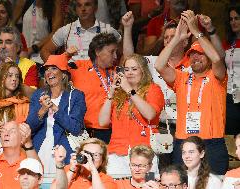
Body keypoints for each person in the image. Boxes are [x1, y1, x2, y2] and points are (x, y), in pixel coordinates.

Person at [155, 10, 228, 175]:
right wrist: (177, 39)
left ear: (208, 57)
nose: (196, 57)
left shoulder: (217, 77)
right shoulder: (181, 77)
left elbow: (217, 59)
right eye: (192, 54)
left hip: (211, 143)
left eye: (201, 54)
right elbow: (159, 65)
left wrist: (196, 31)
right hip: (184, 142)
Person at [98, 53, 164, 178]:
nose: (129, 73)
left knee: (147, 185)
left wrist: (129, 90)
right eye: (126, 69)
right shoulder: (117, 93)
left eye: (134, 69)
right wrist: (111, 92)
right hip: (117, 152)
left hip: (145, 152)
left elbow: (150, 114)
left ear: (143, 71)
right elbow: (102, 122)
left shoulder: (153, 89)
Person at [26, 53, 86, 175]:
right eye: (46, 70)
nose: (49, 72)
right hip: (40, 148)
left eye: (54, 68)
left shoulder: (76, 96)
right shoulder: (38, 94)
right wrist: (42, 110)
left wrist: (54, 108)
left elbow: (75, 127)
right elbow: (29, 128)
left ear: (64, 74)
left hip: (64, 150)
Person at [64, 33, 119, 143]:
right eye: (111, 52)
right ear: (98, 52)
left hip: (114, 131)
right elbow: (51, 69)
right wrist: (66, 55)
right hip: (85, 132)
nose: (115, 56)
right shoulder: (79, 67)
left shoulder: (117, 71)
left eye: (116, 52)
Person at [40, 0, 121, 62]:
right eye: (79, 5)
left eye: (87, 4)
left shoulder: (107, 30)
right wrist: (58, 67)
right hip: (73, 79)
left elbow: (123, 53)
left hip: (99, 79)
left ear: (95, 8)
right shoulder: (66, 30)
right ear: (76, 9)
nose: (83, 9)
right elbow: (44, 51)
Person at [0, 26, 39, 103]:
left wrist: (13, 75)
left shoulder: (29, 65)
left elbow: (33, 95)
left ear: (18, 47)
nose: (3, 46)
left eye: (8, 42)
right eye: (0, 42)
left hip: (19, 110)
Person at [51, 138, 117, 189]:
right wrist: (71, 169)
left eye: (95, 155)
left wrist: (93, 170)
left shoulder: (107, 180)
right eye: (86, 153)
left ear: (102, 160)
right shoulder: (69, 170)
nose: (90, 158)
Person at [22, 0, 63, 64]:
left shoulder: (55, 4)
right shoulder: (24, 2)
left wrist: (33, 48)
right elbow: (12, 25)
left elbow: (56, 32)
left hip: (41, 58)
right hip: (23, 56)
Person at [222, 6, 240, 135]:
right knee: (231, 135)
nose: (233, 22)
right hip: (231, 95)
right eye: (231, 19)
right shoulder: (228, 43)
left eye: (237, 18)